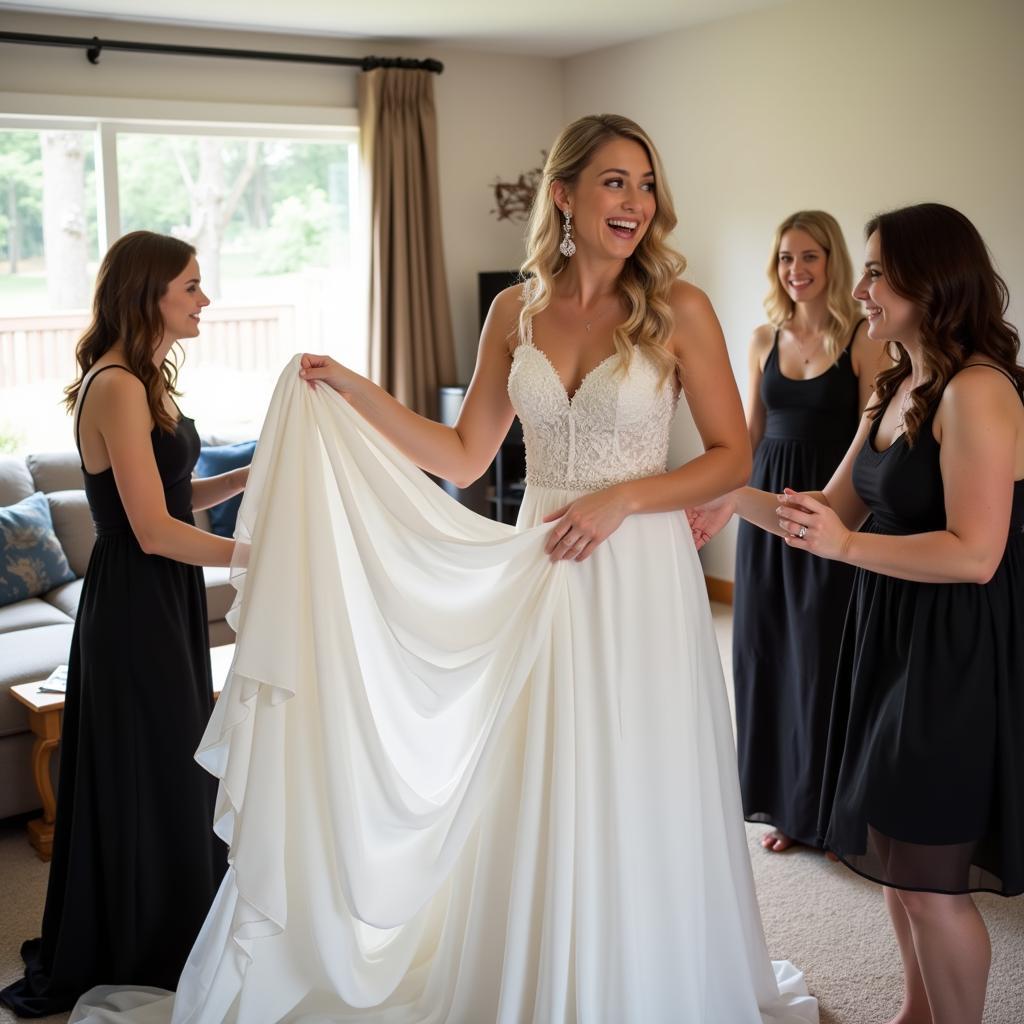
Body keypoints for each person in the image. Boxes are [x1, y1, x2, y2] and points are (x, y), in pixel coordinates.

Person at [71, 116, 817, 1023]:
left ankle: (644, 973)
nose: (635, 203)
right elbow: (465, 455)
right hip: (543, 562)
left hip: (641, 571)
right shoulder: (516, 311)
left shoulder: (679, 307)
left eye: (646, 185)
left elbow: (733, 455)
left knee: (636, 765)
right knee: (541, 768)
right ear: (566, 194)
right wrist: (354, 387)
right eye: (615, 182)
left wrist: (626, 498)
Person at [691, 203, 1024, 1024]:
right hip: (885, 632)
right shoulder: (896, 382)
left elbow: (975, 553)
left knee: (933, 879)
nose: (862, 287)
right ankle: (915, 1012)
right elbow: (827, 509)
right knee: (896, 859)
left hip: (953, 650)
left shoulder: (979, 390)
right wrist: (723, 495)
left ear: (931, 279)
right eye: (867, 270)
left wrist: (845, 549)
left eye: (876, 271)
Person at [0, 232, 247, 1017]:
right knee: (159, 764)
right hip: (137, 598)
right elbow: (152, 531)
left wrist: (258, 469)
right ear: (149, 293)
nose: (204, 300)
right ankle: (148, 939)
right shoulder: (116, 384)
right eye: (191, 286)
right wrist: (256, 555)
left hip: (160, 595)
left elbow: (176, 497)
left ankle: (177, 922)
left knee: (177, 761)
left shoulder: (145, 379)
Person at [722, 211, 887, 853]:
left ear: (832, 261)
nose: (797, 270)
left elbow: (871, 436)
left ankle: (831, 812)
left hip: (828, 507)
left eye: (810, 256)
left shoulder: (863, 342)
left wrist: (850, 513)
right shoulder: (763, 338)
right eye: (786, 258)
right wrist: (724, 500)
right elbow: (748, 436)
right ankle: (786, 808)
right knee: (766, 654)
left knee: (822, 658)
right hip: (767, 510)